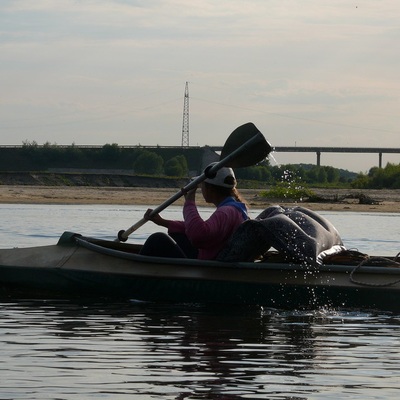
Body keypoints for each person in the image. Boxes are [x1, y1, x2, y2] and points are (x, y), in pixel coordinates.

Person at [139, 162, 249, 259]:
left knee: (158, 239)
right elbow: (197, 227)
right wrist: (163, 222)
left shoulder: (226, 212)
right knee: (175, 236)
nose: (201, 189)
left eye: (202, 185)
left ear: (210, 188)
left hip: (207, 266)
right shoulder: (235, 209)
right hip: (208, 256)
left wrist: (190, 201)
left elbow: (198, 234)